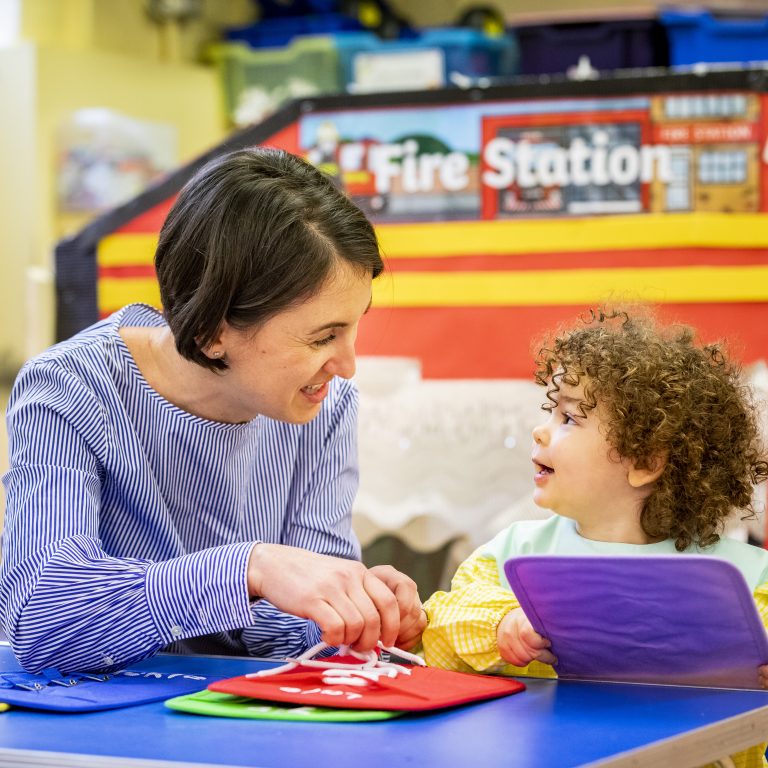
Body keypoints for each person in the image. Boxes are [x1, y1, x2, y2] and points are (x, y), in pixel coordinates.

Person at [0, 147, 426, 675]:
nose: (347, 366)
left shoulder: (324, 403)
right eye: (322, 336)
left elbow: (293, 631)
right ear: (212, 330)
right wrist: (250, 568)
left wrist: (357, 613)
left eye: (354, 324)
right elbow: (44, 622)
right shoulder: (70, 387)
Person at [422, 308, 768, 768]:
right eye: (552, 410)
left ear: (644, 461)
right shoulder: (516, 553)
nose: (540, 428)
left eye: (569, 417)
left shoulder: (744, 577)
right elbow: (437, 632)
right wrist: (503, 627)